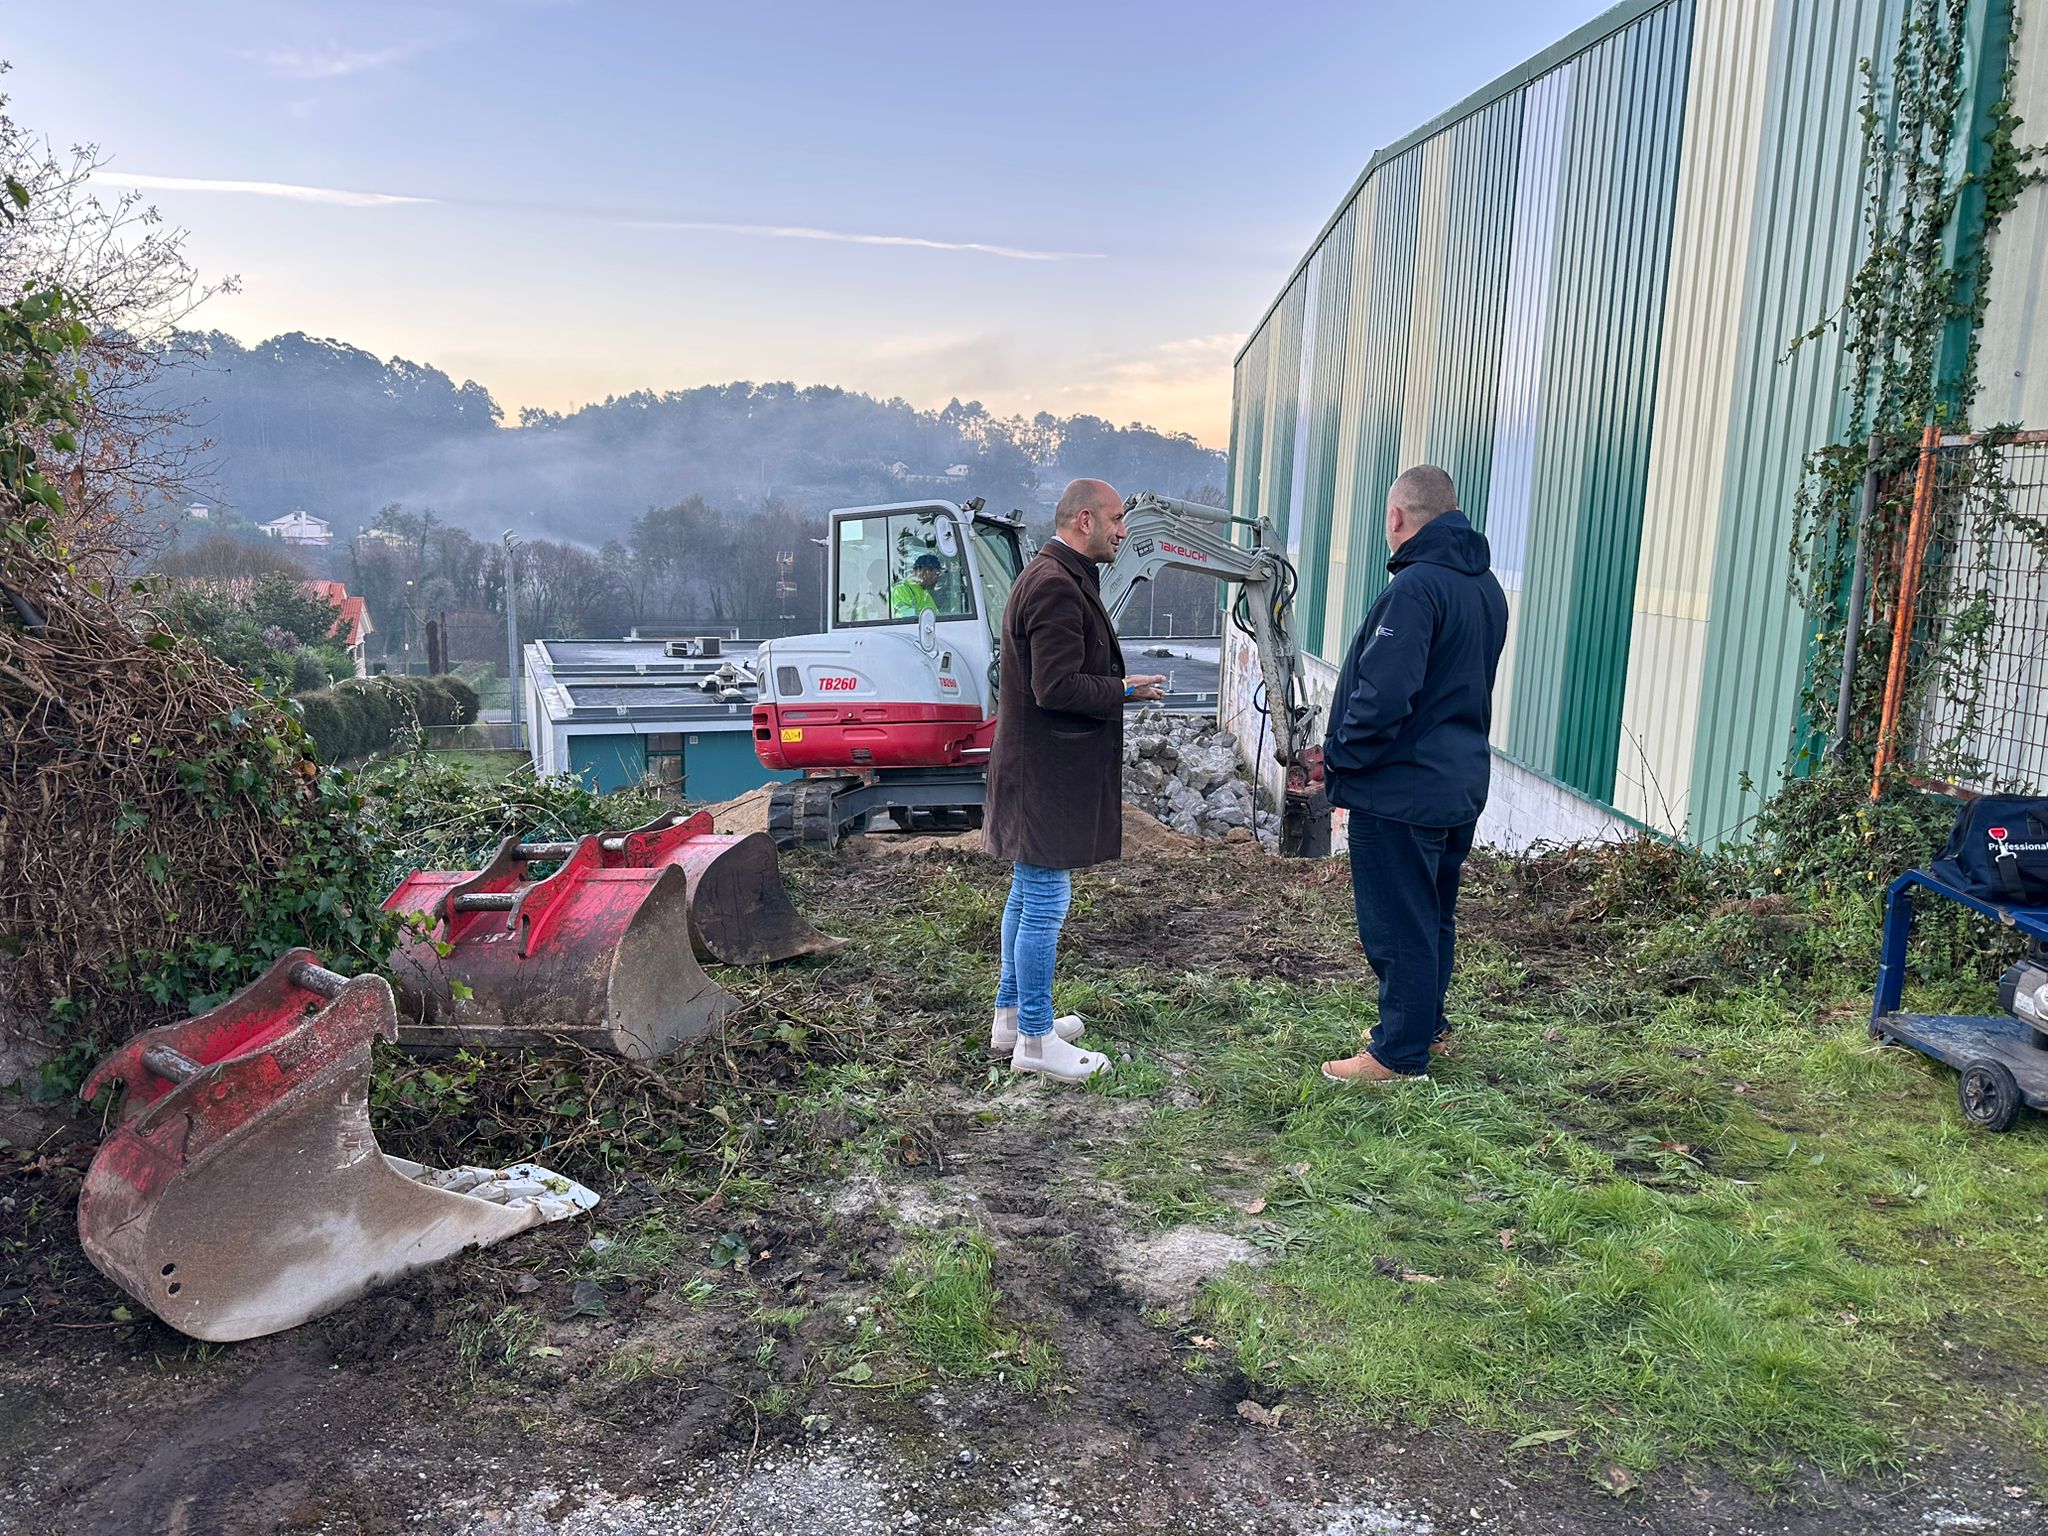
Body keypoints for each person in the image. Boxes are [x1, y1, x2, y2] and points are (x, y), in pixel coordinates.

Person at [1320, 464, 1507, 1086]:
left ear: (1397, 518)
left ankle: (1398, 1055)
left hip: (1400, 789)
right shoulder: (1486, 589)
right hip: (1456, 782)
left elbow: (1385, 694)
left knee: (1396, 923)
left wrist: (1342, 755)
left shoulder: (1415, 589)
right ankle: (1428, 1028)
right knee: (1432, 915)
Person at [983, 479, 1165, 1081]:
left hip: (1038, 768)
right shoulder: (1056, 586)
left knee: (1026, 894)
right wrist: (1125, 688)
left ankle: (1011, 1017)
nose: (1123, 531)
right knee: (1045, 903)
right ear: (1084, 519)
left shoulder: (1052, 575)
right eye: (1116, 519)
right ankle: (1035, 1040)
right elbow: (1055, 688)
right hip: (1047, 775)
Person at [890, 553, 944, 617]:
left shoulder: (923, 591)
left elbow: (936, 615)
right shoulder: (901, 590)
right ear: (924, 571)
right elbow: (904, 616)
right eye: (936, 574)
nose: (937, 578)